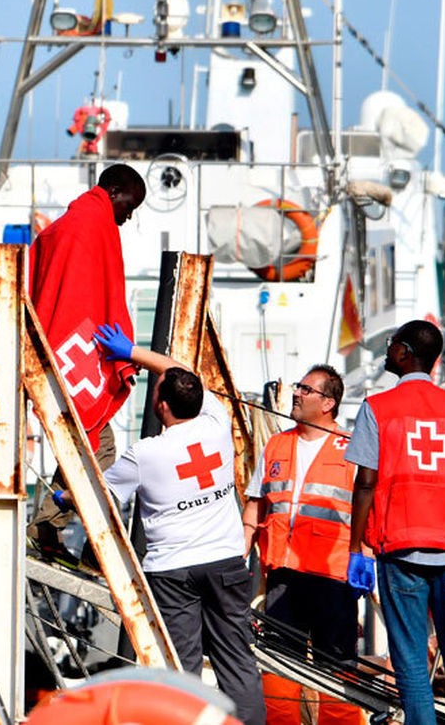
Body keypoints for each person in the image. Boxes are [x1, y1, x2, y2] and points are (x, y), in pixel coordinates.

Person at [93, 323, 266, 725]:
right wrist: (133, 352)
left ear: (163, 407)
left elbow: (101, 494)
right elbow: (179, 372)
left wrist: (65, 497)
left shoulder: (145, 453)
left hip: (172, 570)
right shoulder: (215, 422)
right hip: (225, 561)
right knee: (237, 662)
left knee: (180, 666)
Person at [344, 320, 445, 725]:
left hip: (401, 547)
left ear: (405, 352)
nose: (388, 352)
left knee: (409, 656)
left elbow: (365, 483)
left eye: (391, 346)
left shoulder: (377, 408)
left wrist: (355, 549)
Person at [26, 163, 146, 563]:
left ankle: (48, 527)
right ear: (113, 191)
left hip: (57, 354)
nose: (128, 218)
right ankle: (87, 544)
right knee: (101, 451)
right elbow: (94, 299)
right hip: (74, 360)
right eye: (129, 206)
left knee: (84, 447)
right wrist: (122, 351)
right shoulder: (95, 226)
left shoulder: (68, 224)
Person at [243, 364, 364, 724]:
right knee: (279, 666)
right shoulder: (277, 444)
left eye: (306, 390)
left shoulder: (354, 449)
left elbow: (366, 511)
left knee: (337, 667)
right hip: (283, 574)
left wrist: (366, 559)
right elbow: (255, 504)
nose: (296, 393)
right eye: (299, 387)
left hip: (332, 575)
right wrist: (239, 557)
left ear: (328, 403)